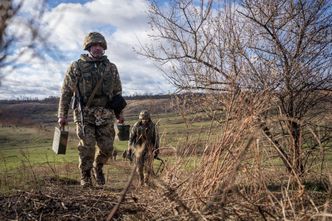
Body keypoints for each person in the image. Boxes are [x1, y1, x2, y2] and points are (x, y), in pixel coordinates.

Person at [57, 32, 125, 187]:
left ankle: (98, 167)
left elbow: (117, 93)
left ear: (104, 48)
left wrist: (119, 114)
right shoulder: (76, 67)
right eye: (94, 45)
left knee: (108, 149)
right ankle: (85, 176)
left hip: (106, 114)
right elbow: (66, 92)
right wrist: (62, 115)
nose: (98, 48)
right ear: (88, 47)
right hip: (84, 114)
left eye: (101, 45)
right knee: (87, 147)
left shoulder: (111, 68)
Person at [128, 110, 159, 186]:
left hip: (149, 149)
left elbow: (156, 138)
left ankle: (146, 181)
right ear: (140, 118)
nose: (144, 120)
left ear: (149, 118)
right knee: (139, 167)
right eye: (143, 119)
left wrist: (157, 149)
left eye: (146, 118)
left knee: (148, 166)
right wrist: (129, 149)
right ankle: (141, 181)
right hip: (138, 149)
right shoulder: (136, 126)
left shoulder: (153, 126)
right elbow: (131, 138)